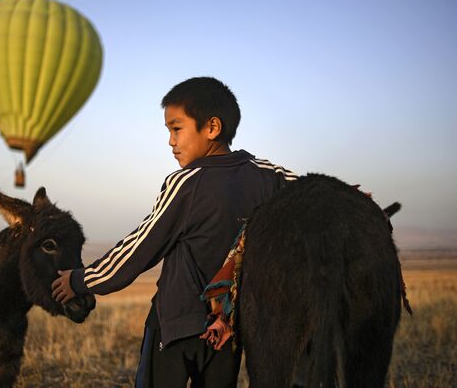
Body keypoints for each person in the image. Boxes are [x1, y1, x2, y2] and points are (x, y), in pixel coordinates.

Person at [52, 77, 296, 387]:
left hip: (175, 329)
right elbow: (314, 193)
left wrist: (80, 280)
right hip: (227, 332)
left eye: (176, 128)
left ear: (212, 128)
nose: (170, 141)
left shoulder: (187, 183)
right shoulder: (268, 176)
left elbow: (138, 249)